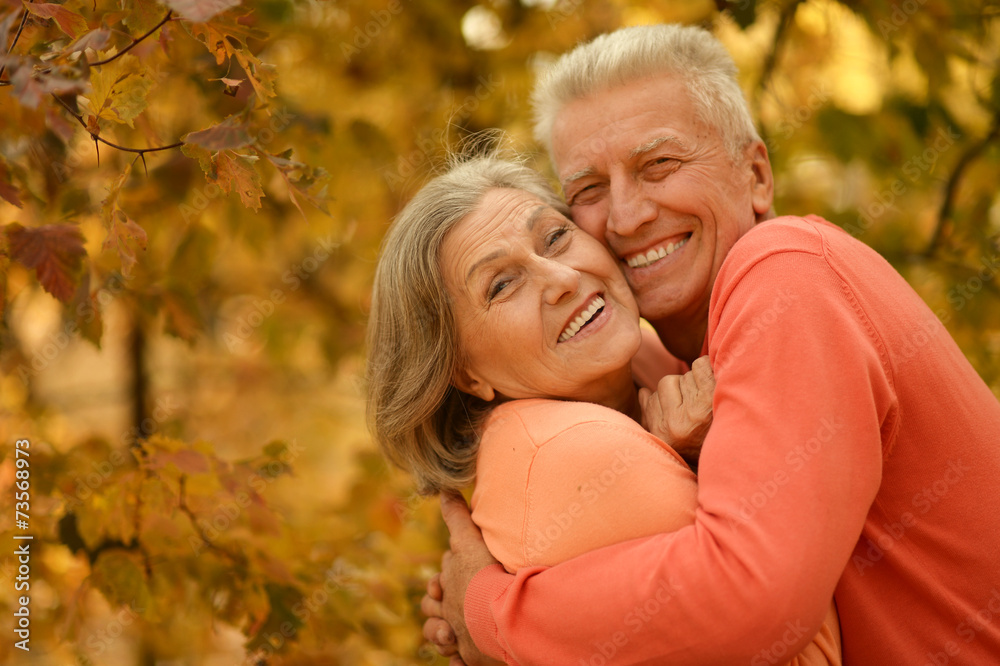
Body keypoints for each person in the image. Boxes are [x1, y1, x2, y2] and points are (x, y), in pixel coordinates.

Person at [421, 23, 1000, 666]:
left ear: (755, 175)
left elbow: (751, 597)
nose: (626, 215)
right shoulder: (674, 367)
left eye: (659, 165)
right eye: (587, 191)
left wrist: (492, 608)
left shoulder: (785, 274)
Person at [366, 154, 842, 665]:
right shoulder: (574, 451)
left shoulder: (645, 363)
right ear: (465, 373)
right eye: (502, 285)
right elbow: (794, 642)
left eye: (554, 237)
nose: (561, 278)